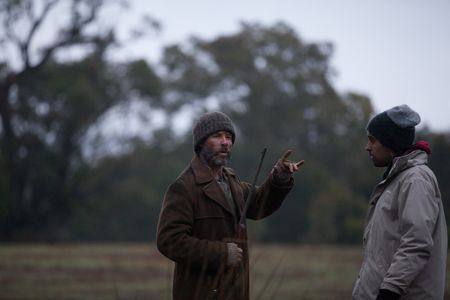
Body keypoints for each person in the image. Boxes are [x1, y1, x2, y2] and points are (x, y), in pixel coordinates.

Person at [156, 111, 304, 300]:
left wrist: (279, 178)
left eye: (228, 137)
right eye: (217, 136)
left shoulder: (231, 180)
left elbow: (259, 204)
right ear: (201, 143)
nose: (225, 142)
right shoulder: (184, 188)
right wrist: (222, 253)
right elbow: (169, 241)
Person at [352, 104, 447, 300]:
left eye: (373, 140)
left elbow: (417, 241)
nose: (367, 147)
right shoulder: (397, 180)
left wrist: (389, 291)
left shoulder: (415, 180)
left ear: (390, 142)